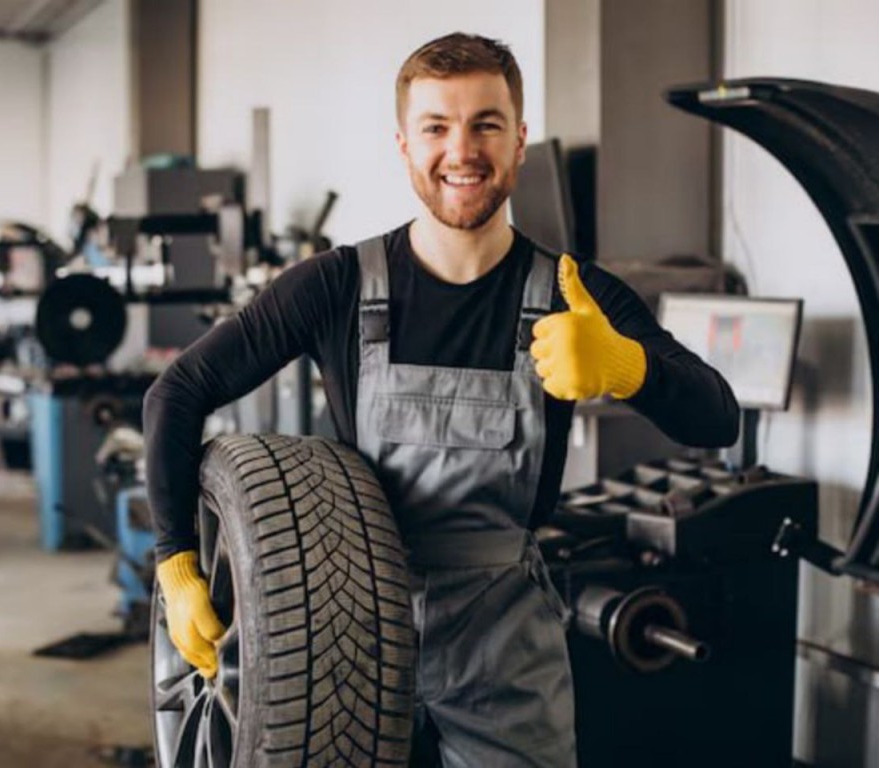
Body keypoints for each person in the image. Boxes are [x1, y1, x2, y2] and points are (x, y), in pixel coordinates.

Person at [144, 32, 739, 768]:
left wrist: (627, 366)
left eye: (486, 124)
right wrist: (175, 564)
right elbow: (178, 392)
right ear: (404, 146)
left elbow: (717, 416)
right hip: (341, 631)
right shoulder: (334, 286)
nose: (462, 151)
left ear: (520, 142)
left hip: (504, 649)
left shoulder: (574, 294)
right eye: (437, 127)